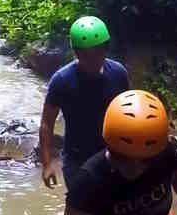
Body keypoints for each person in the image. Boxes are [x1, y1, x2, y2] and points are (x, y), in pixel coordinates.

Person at [39, 16, 130, 189]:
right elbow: (46, 123)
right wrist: (47, 164)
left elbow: (127, 112)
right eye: (85, 55)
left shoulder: (118, 73)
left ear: (105, 49)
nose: (92, 60)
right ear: (76, 53)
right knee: (80, 210)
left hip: (114, 154)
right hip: (77, 160)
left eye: (97, 53)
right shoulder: (61, 80)